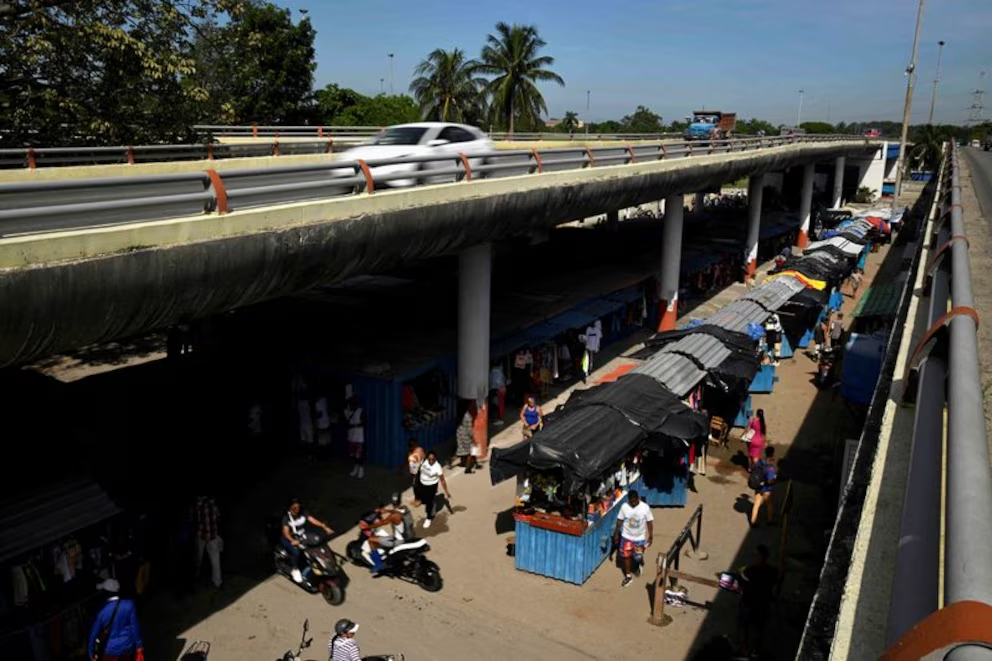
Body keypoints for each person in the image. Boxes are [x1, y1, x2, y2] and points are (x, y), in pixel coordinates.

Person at [737, 544, 779, 656]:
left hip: (749, 604)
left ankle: (745, 649)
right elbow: (776, 581)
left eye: (755, 555)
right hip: (764, 605)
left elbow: (740, 584)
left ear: (760, 557)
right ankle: (756, 650)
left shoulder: (749, 571)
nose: (753, 557)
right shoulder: (773, 571)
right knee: (759, 630)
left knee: (745, 627)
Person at [88, 578, 143, 661]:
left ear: (107, 593)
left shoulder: (101, 611)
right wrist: (139, 646)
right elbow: (135, 627)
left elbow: (93, 634)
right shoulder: (129, 604)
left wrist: (91, 652)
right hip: (127, 648)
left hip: (110, 651)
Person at [281, 498, 334, 583]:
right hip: (289, 538)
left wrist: (324, 526)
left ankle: (323, 560)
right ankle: (295, 569)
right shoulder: (286, 517)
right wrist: (292, 540)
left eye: (298, 507)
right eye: (294, 507)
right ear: (290, 508)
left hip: (302, 535)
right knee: (296, 551)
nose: (297, 509)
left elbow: (312, 520)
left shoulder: (303, 512)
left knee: (316, 541)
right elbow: (286, 532)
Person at [362, 493, 414, 572]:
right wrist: (385, 511)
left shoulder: (394, 516)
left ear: (392, 502)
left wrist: (367, 527)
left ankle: (378, 564)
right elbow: (396, 511)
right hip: (410, 535)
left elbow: (382, 523)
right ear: (400, 501)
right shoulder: (405, 508)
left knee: (371, 540)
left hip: (399, 540)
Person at [613, 490, 654, 589]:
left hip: (639, 538)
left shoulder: (645, 508)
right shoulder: (624, 507)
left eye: (635, 501)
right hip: (626, 537)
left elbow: (649, 522)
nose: (633, 504)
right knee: (626, 556)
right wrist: (616, 534)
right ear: (628, 500)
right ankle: (628, 576)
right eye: (631, 502)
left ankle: (637, 566)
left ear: (638, 498)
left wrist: (651, 536)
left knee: (637, 557)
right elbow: (619, 520)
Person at [193, 494, 222, 589]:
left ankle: (195, 580)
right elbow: (218, 517)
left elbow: (194, 519)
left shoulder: (199, 504)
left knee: (198, 559)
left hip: (204, 535)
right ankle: (217, 582)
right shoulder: (212, 503)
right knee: (213, 560)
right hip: (209, 535)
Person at [414, 451, 450, 529]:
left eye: (433, 459)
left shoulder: (437, 467)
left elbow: (442, 480)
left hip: (431, 486)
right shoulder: (424, 461)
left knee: (428, 503)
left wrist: (446, 491)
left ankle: (429, 518)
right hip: (422, 484)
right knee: (424, 499)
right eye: (429, 459)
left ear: (435, 459)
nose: (431, 461)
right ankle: (432, 502)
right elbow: (419, 469)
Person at [750, 446, 777, 527]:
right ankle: (769, 520)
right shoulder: (770, 467)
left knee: (756, 504)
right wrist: (775, 480)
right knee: (769, 504)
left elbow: (752, 469)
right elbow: (770, 480)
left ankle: (753, 521)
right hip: (767, 488)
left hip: (758, 486)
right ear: (772, 454)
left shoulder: (760, 462)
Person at [344, 396, 365, 479]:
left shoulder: (360, 411)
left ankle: (361, 469)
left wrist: (354, 425)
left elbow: (364, 422)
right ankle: (356, 468)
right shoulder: (348, 412)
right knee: (352, 454)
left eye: (353, 403)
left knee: (359, 455)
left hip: (359, 437)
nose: (351, 404)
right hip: (351, 436)